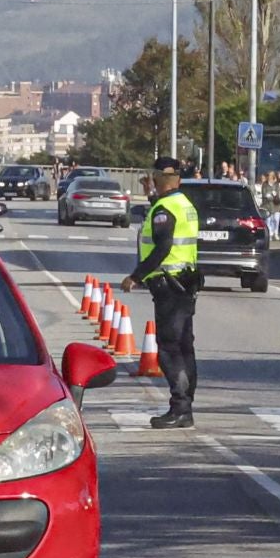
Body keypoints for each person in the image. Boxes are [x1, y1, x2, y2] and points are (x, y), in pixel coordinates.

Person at [121, 157, 201, 429]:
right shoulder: (184, 204)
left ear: (160, 178)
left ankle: (180, 408)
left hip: (169, 285)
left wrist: (136, 275)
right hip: (185, 283)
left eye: (154, 177)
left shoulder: (165, 208)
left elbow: (163, 246)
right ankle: (186, 407)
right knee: (185, 347)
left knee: (169, 349)